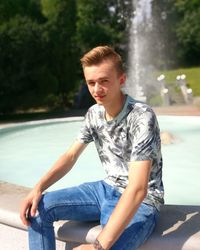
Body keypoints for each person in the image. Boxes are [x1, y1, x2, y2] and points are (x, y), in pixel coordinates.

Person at [20, 45, 164, 250]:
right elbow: (70, 155)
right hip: (104, 190)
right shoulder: (94, 113)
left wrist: (98, 246)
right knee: (37, 208)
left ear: (121, 80)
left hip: (142, 202)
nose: (97, 90)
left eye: (104, 81)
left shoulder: (141, 116)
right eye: (91, 83)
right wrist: (38, 188)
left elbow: (138, 188)